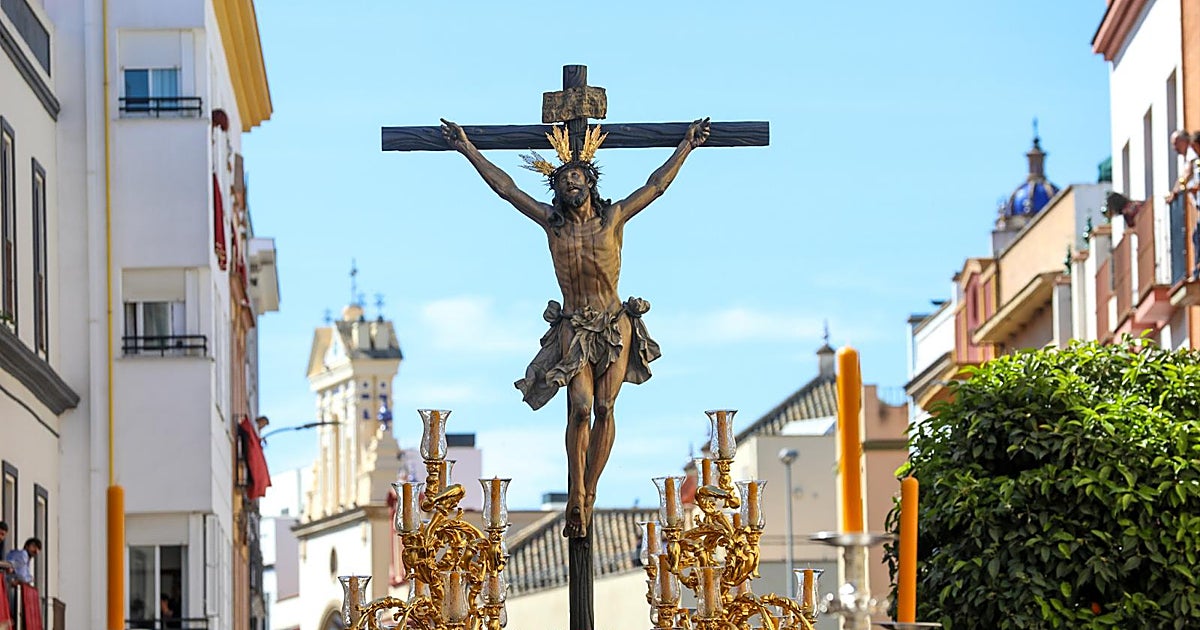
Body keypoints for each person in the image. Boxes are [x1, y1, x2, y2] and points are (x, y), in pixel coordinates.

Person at [441, 117, 711, 537]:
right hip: (574, 328)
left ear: (590, 181)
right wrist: (467, 148)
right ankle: (575, 494)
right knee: (581, 405)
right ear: (557, 187)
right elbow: (507, 190)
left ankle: (589, 492)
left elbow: (656, 186)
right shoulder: (553, 224)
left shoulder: (613, 218)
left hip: (614, 326)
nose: (570, 183)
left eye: (576, 176)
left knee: (605, 406)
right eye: (564, 178)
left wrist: (687, 146)